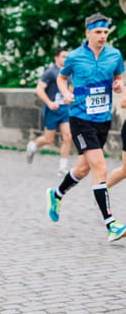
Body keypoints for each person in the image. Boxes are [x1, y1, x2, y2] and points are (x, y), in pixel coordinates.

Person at [46, 13, 126, 242]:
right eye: (98, 32)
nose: (102, 36)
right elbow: (62, 78)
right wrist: (65, 92)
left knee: (82, 169)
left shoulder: (115, 55)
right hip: (80, 118)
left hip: (102, 119)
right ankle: (111, 224)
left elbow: (119, 76)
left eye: (105, 32)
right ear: (87, 33)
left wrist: (119, 84)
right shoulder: (74, 57)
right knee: (100, 167)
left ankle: (56, 194)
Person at [26, 48, 72, 175]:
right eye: (63, 56)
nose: (66, 59)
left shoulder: (68, 73)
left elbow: (70, 89)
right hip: (52, 110)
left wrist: (69, 96)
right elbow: (39, 90)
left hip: (64, 110)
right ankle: (33, 146)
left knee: (68, 137)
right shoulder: (50, 72)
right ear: (56, 58)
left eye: (67, 57)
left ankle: (62, 168)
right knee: (48, 139)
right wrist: (50, 103)